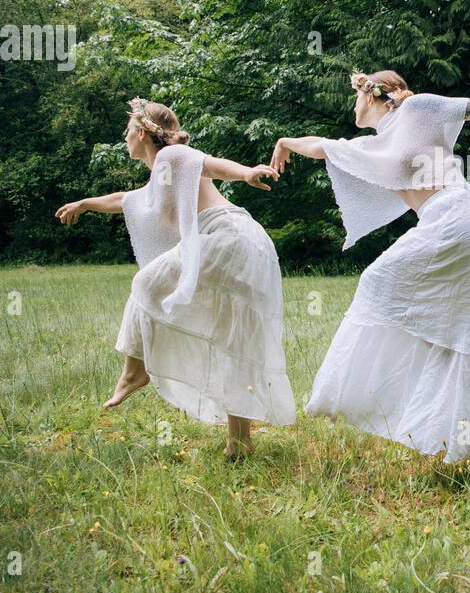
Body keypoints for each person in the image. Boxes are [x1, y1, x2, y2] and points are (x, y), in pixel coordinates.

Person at [271, 71, 470, 471]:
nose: (353, 104)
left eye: (356, 95)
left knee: (381, 285)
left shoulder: (418, 109)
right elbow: (322, 147)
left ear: (374, 94)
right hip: (452, 223)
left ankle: (359, 395)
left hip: (458, 217)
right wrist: (284, 143)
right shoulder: (374, 145)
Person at [55, 97, 294, 459]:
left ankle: (135, 371)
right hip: (244, 245)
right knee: (232, 339)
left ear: (142, 132)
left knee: (146, 284)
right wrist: (86, 203)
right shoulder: (161, 175)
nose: (124, 137)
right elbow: (127, 199)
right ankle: (239, 441)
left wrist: (246, 172)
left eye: (127, 131)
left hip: (226, 237)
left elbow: (208, 165)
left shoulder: (171, 156)